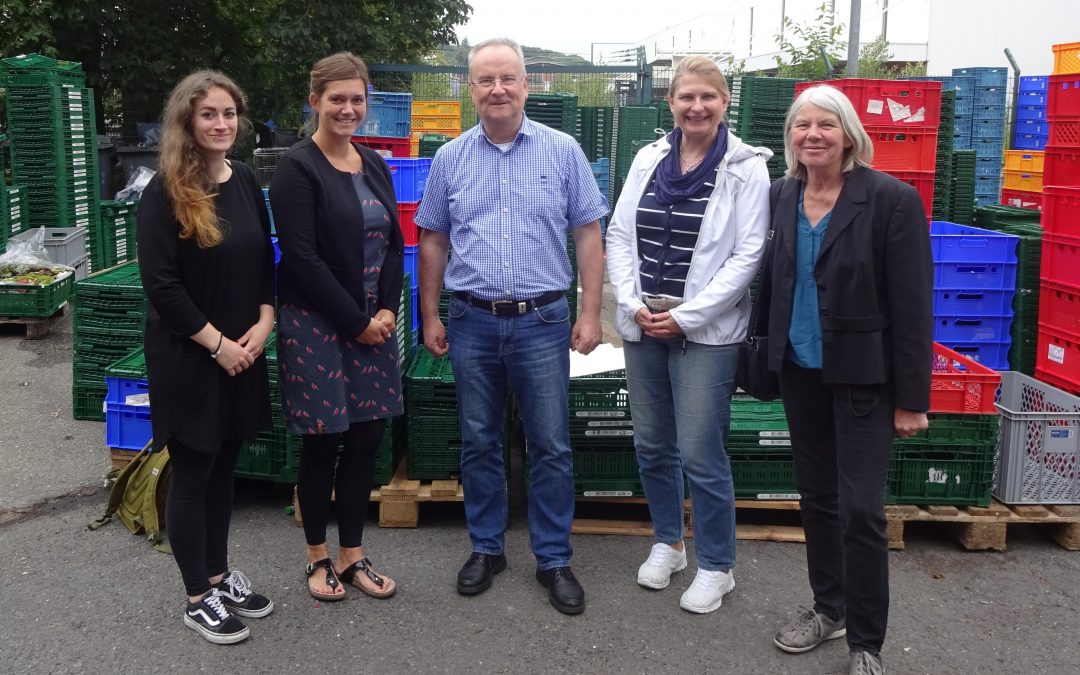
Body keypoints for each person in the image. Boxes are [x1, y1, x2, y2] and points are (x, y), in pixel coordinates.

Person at [415, 37, 608, 616]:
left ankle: (553, 558)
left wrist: (590, 310)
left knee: (549, 443)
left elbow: (589, 234)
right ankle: (487, 548)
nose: (497, 89)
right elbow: (433, 240)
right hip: (472, 320)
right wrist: (429, 314)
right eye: (484, 80)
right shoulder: (450, 158)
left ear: (527, 85)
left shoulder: (563, 151)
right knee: (480, 440)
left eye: (508, 79)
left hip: (542, 320)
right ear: (470, 88)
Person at [764, 85, 933, 675]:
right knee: (817, 500)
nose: (812, 135)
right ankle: (827, 608)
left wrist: (913, 399)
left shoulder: (890, 200)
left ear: (849, 134)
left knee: (861, 509)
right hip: (802, 373)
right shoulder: (781, 196)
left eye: (825, 125)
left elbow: (913, 307)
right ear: (791, 138)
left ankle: (866, 642)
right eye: (801, 125)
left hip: (865, 377)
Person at [605, 56, 770, 614]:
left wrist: (689, 316)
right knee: (653, 444)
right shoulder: (649, 157)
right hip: (645, 321)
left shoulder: (748, 168)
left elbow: (748, 254)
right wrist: (630, 303)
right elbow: (621, 233)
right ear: (670, 103)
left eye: (708, 97)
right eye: (686, 97)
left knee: (700, 451)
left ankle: (717, 566)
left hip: (707, 332)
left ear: (726, 103)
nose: (696, 107)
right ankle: (668, 543)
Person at [137, 71, 275, 644]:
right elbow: (163, 287)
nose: (222, 124)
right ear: (186, 123)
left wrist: (265, 324)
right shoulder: (164, 191)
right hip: (193, 355)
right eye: (208, 115)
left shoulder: (242, 179)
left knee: (225, 467)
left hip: (244, 349)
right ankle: (197, 596)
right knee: (194, 472)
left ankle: (219, 575)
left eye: (229, 114)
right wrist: (217, 345)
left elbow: (265, 259)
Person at [269, 52, 405, 604]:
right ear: (315, 102)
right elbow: (301, 258)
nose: (348, 109)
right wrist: (356, 322)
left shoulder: (372, 163)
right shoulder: (297, 169)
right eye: (337, 99)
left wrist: (388, 310)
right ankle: (317, 558)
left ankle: (353, 555)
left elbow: (395, 243)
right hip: (317, 325)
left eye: (357, 99)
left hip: (372, 322)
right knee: (324, 441)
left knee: (368, 437)